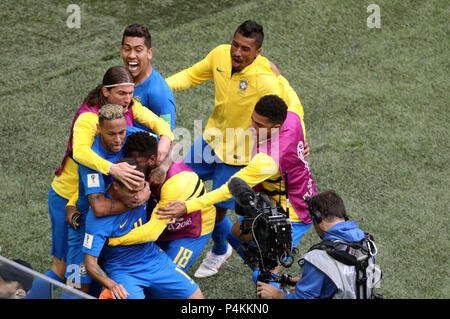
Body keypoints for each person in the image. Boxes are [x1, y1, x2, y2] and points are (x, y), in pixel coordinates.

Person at [26, 66, 174, 299]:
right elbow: (81, 153)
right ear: (106, 92)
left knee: (95, 279)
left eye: (130, 93)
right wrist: (133, 192)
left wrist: (164, 152)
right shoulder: (89, 120)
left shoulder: (125, 115)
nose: (128, 100)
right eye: (122, 94)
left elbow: (165, 132)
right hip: (72, 200)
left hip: (101, 214)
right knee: (66, 273)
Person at [166, 20, 290, 277]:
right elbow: (191, 75)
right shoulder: (220, 54)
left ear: (258, 53)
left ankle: (221, 249)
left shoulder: (266, 80)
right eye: (235, 44)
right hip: (210, 141)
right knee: (177, 179)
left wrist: (299, 141)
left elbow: (287, 112)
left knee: (214, 210)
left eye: (245, 49)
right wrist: (159, 86)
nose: (237, 52)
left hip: (238, 156)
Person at [156, 95, 316, 282]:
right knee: (234, 236)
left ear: (277, 128)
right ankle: (264, 265)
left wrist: (187, 207)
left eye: (259, 125)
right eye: (253, 120)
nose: (252, 128)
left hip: (293, 215)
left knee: (262, 279)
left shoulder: (267, 161)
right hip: (282, 200)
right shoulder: (292, 116)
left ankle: (270, 276)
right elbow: (292, 97)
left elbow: (227, 190)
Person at [83, 158, 204, 299]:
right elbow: (90, 263)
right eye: (133, 192)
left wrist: (161, 170)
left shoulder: (141, 190)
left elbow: (174, 144)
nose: (138, 197)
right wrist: (111, 284)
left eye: (141, 189)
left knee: (197, 297)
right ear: (115, 186)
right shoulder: (97, 221)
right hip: (123, 271)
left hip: (154, 259)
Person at [62, 104, 150, 298]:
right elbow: (99, 208)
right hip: (85, 229)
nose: (118, 139)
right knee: (77, 288)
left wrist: (158, 173)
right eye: (111, 134)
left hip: (114, 228)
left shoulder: (129, 135)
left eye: (121, 132)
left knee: (103, 283)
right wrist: (138, 199)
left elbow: (170, 143)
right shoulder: (91, 160)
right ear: (99, 129)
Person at [107, 132, 216, 272]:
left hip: (191, 228)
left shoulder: (176, 183)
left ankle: (221, 248)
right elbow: (175, 143)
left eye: (136, 163)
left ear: (152, 160)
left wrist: (112, 241)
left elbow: (151, 232)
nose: (131, 168)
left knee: (167, 275)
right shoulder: (135, 142)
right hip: (163, 221)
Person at [256, 190, 382, 299]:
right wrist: (315, 282)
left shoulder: (319, 258)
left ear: (318, 219)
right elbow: (354, 276)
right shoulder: (366, 243)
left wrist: (276, 295)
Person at [121, 24, 177, 131]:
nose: (131, 55)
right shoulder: (120, 78)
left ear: (149, 53)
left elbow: (167, 138)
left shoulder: (159, 93)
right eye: (127, 49)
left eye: (138, 50)